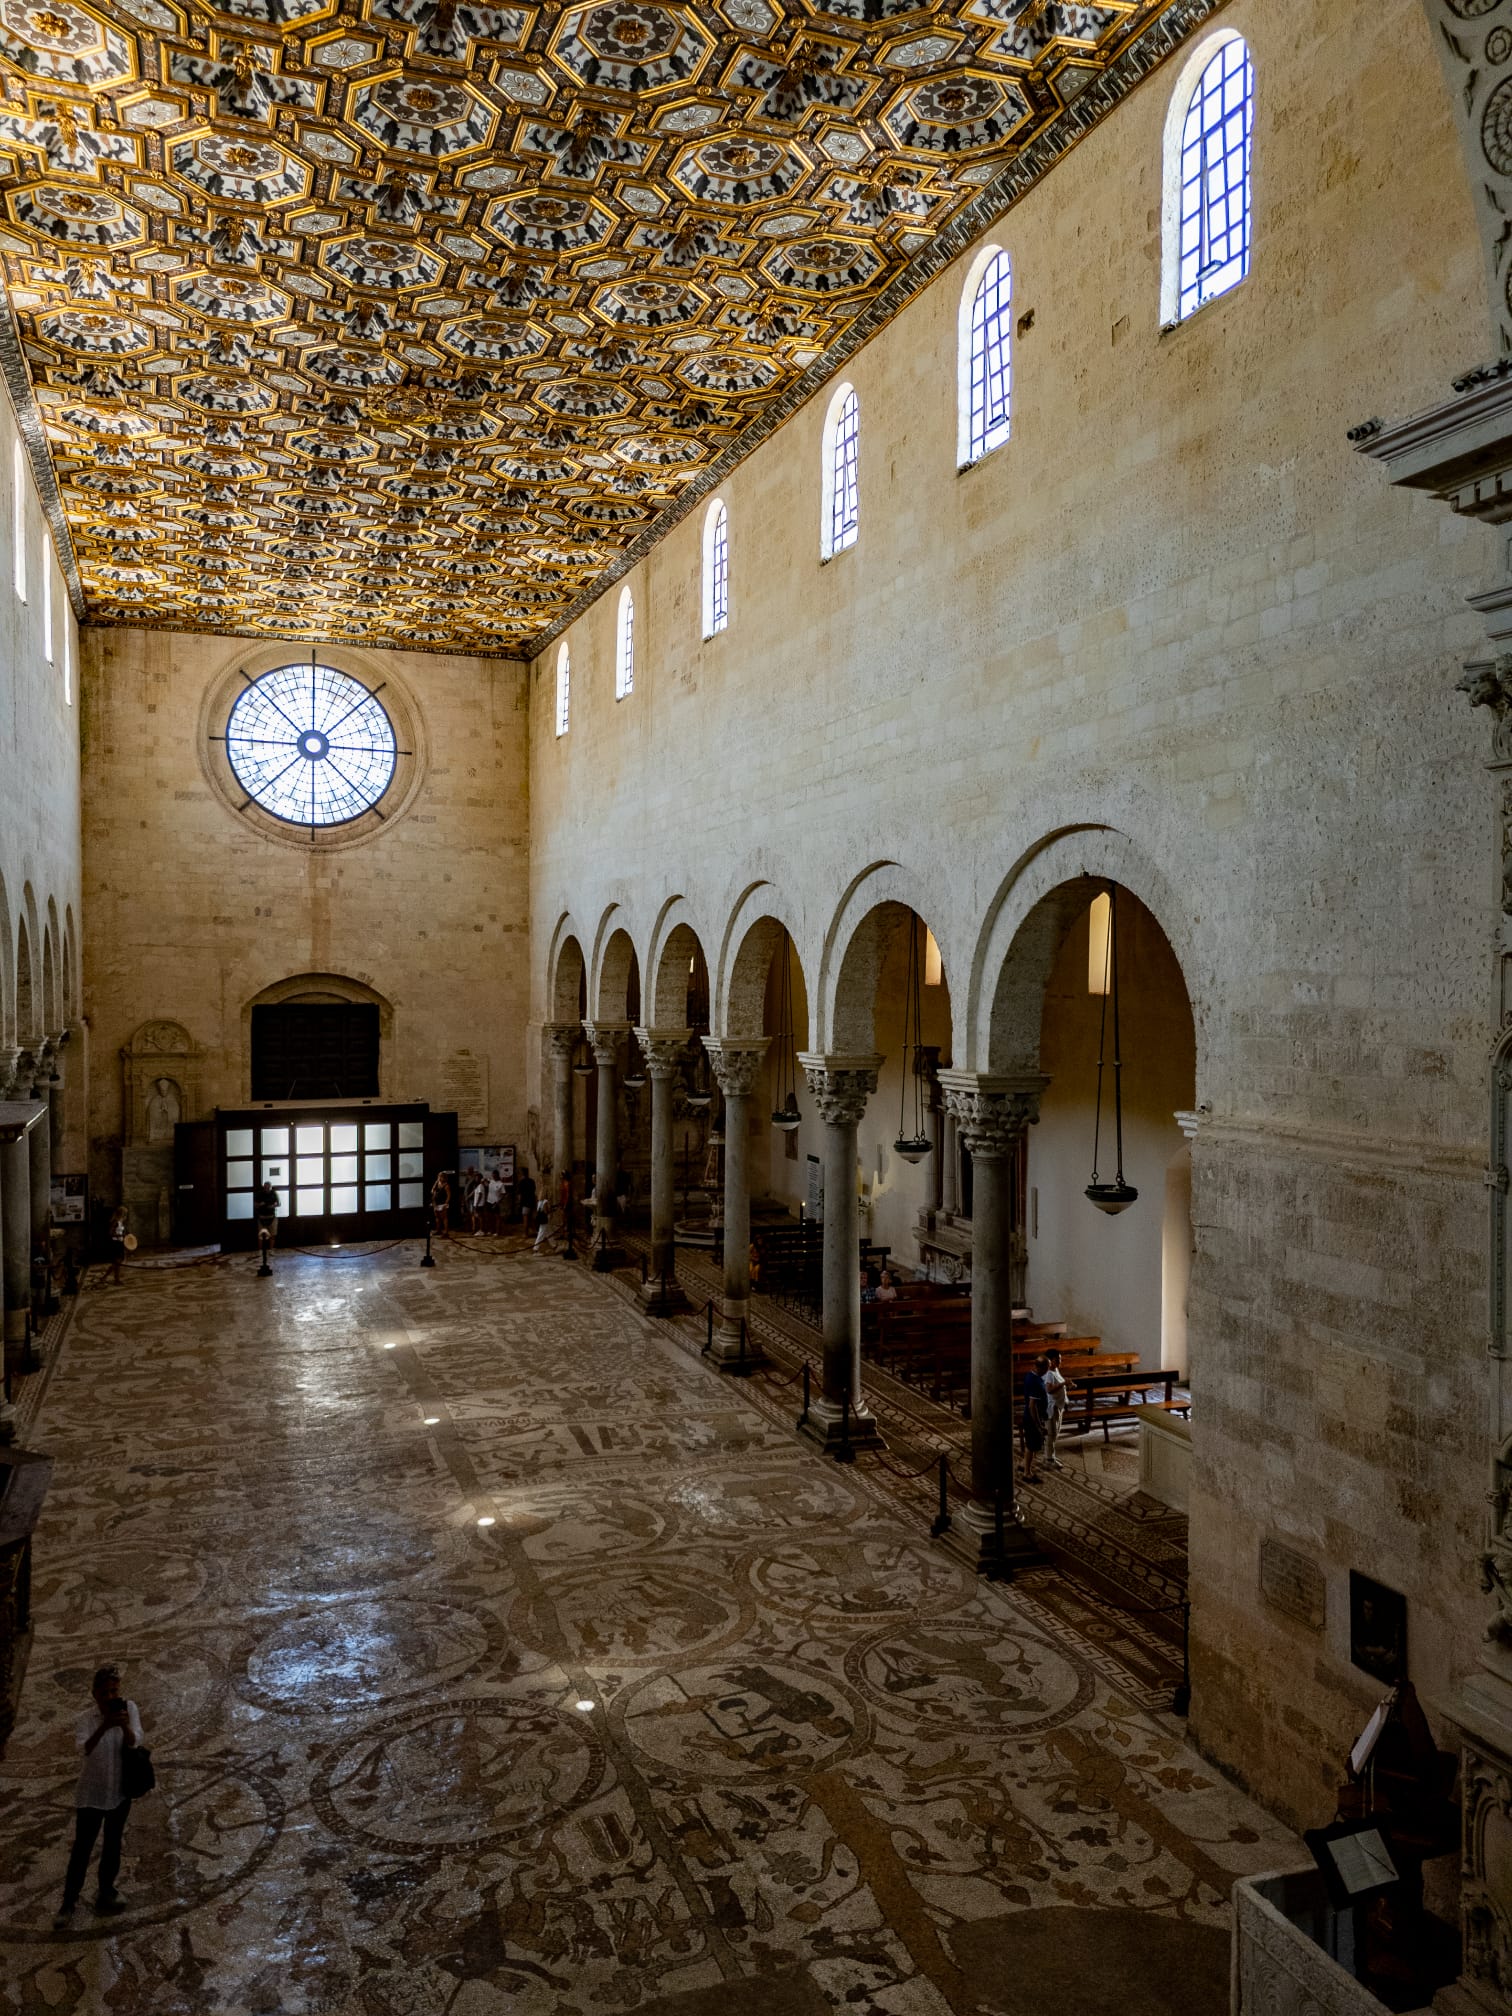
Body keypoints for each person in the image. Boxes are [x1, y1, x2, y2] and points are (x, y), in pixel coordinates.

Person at [54, 1663, 143, 1928]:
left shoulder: (130, 1709)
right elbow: (84, 1749)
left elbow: (135, 1741)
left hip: (119, 1791)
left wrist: (124, 1726)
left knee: (113, 1844)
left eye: (114, 1691)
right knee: (82, 1848)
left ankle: (106, 1890)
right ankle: (68, 1902)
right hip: (92, 1794)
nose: (110, 1697)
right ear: (95, 1695)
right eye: (104, 1693)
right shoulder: (86, 1719)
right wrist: (104, 1726)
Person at [1021, 1353, 1049, 1485]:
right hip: (1031, 1419)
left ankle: (1024, 1464)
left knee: (1030, 1444)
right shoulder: (1035, 1381)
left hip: (1030, 1417)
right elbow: (1032, 1406)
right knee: (1031, 1445)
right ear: (1042, 1367)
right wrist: (1039, 1425)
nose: (1048, 1370)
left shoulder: (1030, 1375)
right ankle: (1027, 1473)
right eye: (1047, 1367)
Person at [1042, 1347, 1068, 1471]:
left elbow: (1058, 1385)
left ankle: (1048, 1456)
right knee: (1051, 1433)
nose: (1060, 1361)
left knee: (1055, 1432)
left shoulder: (1055, 1370)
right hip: (1051, 1407)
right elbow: (1049, 1390)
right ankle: (1049, 1460)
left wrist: (1067, 1385)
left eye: (1060, 1359)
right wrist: (1063, 1384)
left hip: (1058, 1406)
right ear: (1050, 1360)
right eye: (1057, 1359)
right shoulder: (1048, 1373)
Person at [254, 1180, 279, 1261]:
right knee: (260, 1235)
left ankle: (271, 1250)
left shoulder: (274, 1193)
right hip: (262, 1217)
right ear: (263, 1187)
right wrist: (260, 1204)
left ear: (271, 1187)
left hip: (272, 1217)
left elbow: (278, 1203)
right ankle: (260, 1251)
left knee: (273, 1234)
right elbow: (255, 1205)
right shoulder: (259, 1194)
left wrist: (273, 1205)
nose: (267, 1189)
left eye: (268, 1187)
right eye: (265, 1187)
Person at [106, 1204, 128, 1285]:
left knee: (117, 1262)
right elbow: (110, 1233)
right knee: (117, 1262)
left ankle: (105, 1276)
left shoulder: (121, 1222)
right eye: (125, 1213)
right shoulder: (115, 1222)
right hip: (115, 1243)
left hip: (120, 1243)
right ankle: (116, 1279)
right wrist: (120, 1236)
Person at [430, 1170, 451, 1237]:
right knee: (437, 1217)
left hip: (442, 1203)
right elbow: (432, 1191)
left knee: (444, 1218)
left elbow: (449, 1195)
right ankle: (438, 1230)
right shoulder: (437, 1183)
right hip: (436, 1203)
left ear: (444, 1178)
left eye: (440, 1177)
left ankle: (446, 1232)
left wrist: (446, 1204)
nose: (439, 1178)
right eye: (438, 1176)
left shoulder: (446, 1185)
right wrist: (435, 1184)